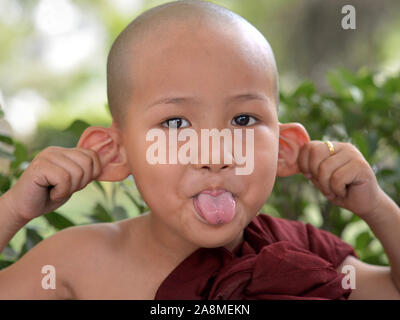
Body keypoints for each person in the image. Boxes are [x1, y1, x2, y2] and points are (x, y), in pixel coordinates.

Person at [0, 0, 399, 300]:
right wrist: (15, 208)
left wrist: (376, 206)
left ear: (283, 149)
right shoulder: (78, 262)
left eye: (243, 121)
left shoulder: (300, 253)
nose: (214, 154)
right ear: (114, 152)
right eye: (175, 124)